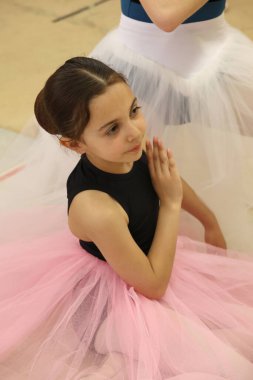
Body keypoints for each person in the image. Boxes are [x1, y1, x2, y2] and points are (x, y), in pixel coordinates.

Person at [0, 57, 252, 380]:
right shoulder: (95, 207)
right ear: (75, 144)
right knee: (226, 367)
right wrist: (171, 205)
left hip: (152, 262)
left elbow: (166, 177)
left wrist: (209, 220)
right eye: (112, 129)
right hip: (120, 301)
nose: (134, 132)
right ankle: (116, 348)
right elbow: (153, 284)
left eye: (134, 111)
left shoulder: (130, 149)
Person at [90, 0, 253, 252]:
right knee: (133, 167)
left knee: (198, 166)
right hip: (138, 62)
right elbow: (164, 17)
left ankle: (206, 223)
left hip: (213, 54)